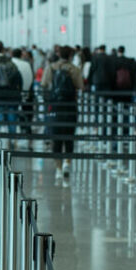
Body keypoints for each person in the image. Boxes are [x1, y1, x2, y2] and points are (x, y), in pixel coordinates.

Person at [41, 46, 84, 184]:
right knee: (69, 136)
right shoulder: (74, 69)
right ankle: (67, 163)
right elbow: (81, 86)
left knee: (56, 138)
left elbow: (44, 84)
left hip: (55, 107)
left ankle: (58, 169)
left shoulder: (51, 68)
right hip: (70, 106)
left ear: (58, 54)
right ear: (71, 55)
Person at [11, 48, 34, 136]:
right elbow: (31, 78)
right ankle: (25, 129)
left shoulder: (10, 63)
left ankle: (12, 133)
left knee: (13, 113)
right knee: (26, 112)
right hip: (25, 92)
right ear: (21, 55)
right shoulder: (26, 65)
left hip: (13, 94)